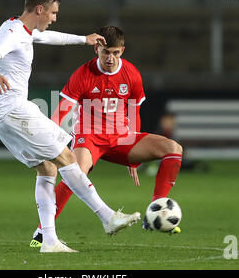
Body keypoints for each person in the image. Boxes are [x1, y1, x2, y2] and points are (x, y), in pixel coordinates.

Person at [0, 0, 140, 253]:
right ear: (39, 9)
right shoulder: (12, 33)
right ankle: (107, 217)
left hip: (0, 113)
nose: (54, 17)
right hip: (15, 110)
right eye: (53, 12)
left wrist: (82, 39)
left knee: (48, 169)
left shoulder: (17, 28)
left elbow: (46, 37)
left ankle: (49, 241)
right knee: (68, 158)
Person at [29, 26, 183, 247]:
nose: (110, 58)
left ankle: (155, 212)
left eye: (115, 53)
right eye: (105, 52)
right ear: (96, 49)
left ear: (122, 50)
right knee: (76, 172)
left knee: (173, 148)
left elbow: (134, 112)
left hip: (120, 139)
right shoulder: (83, 74)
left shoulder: (131, 74)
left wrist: (134, 154)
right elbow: (61, 111)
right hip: (89, 136)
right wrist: (49, 141)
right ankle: (43, 231)